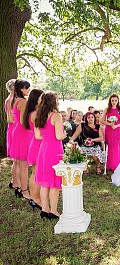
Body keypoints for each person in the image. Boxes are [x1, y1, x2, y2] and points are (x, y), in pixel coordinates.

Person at [34, 92, 66, 220]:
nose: (58, 102)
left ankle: (44, 209)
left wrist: (47, 136)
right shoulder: (56, 116)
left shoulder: (39, 115)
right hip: (54, 150)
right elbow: (59, 136)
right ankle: (53, 211)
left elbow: (38, 136)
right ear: (53, 101)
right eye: (57, 100)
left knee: (44, 183)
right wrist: (65, 133)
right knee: (54, 182)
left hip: (43, 150)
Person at [23, 89, 44, 210]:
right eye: (42, 96)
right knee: (36, 173)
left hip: (34, 142)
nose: (43, 98)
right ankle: (35, 199)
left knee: (36, 172)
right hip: (38, 143)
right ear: (36, 98)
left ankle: (35, 197)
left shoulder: (31, 112)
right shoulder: (36, 113)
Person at [9, 80, 31, 200]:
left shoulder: (14, 99)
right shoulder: (23, 101)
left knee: (17, 161)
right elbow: (24, 121)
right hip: (22, 133)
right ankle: (24, 190)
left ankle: (16, 185)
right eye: (27, 88)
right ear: (22, 89)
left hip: (16, 131)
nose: (28, 90)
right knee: (24, 164)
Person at [101, 94, 120, 171]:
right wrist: (109, 124)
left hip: (118, 129)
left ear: (118, 101)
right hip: (109, 130)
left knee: (117, 146)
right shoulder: (107, 109)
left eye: (115, 100)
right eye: (112, 100)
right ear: (110, 101)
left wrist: (116, 126)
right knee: (111, 146)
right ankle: (111, 165)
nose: (114, 102)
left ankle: (118, 164)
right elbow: (102, 120)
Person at [4, 79, 16, 190]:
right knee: (16, 159)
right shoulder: (10, 100)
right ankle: (13, 181)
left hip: (14, 129)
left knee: (17, 160)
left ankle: (14, 181)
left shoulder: (12, 99)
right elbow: (10, 119)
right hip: (14, 130)